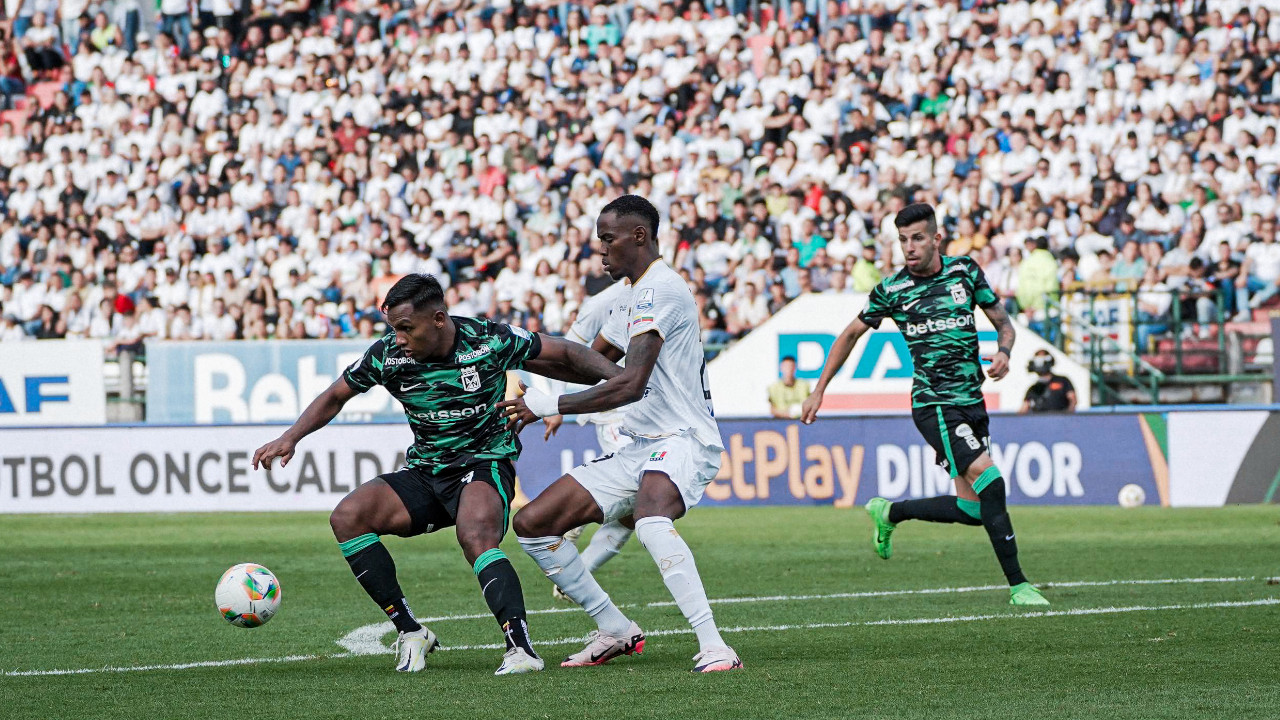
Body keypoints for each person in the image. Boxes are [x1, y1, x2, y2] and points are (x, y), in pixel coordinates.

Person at [251, 274, 622, 675]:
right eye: (392, 329)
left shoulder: (487, 339)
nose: (397, 338)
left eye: (406, 328)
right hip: (427, 471)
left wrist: (621, 379)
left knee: (475, 537)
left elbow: (564, 351)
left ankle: (521, 649)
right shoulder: (388, 356)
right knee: (347, 517)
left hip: (484, 463)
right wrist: (291, 437)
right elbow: (337, 394)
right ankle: (411, 631)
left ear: (439, 319)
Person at [499, 195, 742, 673]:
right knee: (533, 526)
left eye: (608, 240)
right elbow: (588, 363)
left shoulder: (662, 290)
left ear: (639, 236)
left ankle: (716, 646)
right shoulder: (633, 294)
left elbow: (629, 384)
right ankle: (615, 629)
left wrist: (550, 405)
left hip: (683, 439)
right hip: (643, 445)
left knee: (651, 520)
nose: (601, 252)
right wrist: (508, 352)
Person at [800, 202, 1049, 607]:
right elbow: (849, 335)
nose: (909, 247)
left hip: (973, 402)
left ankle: (890, 513)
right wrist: (819, 389)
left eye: (917, 238)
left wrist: (1004, 352)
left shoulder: (964, 272)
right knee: (993, 482)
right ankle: (1019, 586)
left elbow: (1003, 322)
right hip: (934, 404)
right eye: (902, 240)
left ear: (936, 238)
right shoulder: (892, 290)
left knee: (973, 509)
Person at [541, 277, 638, 600]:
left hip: (647, 408)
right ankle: (579, 512)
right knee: (641, 488)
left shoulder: (656, 292)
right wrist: (555, 406)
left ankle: (579, 570)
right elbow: (565, 351)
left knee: (636, 510)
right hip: (615, 411)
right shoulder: (599, 305)